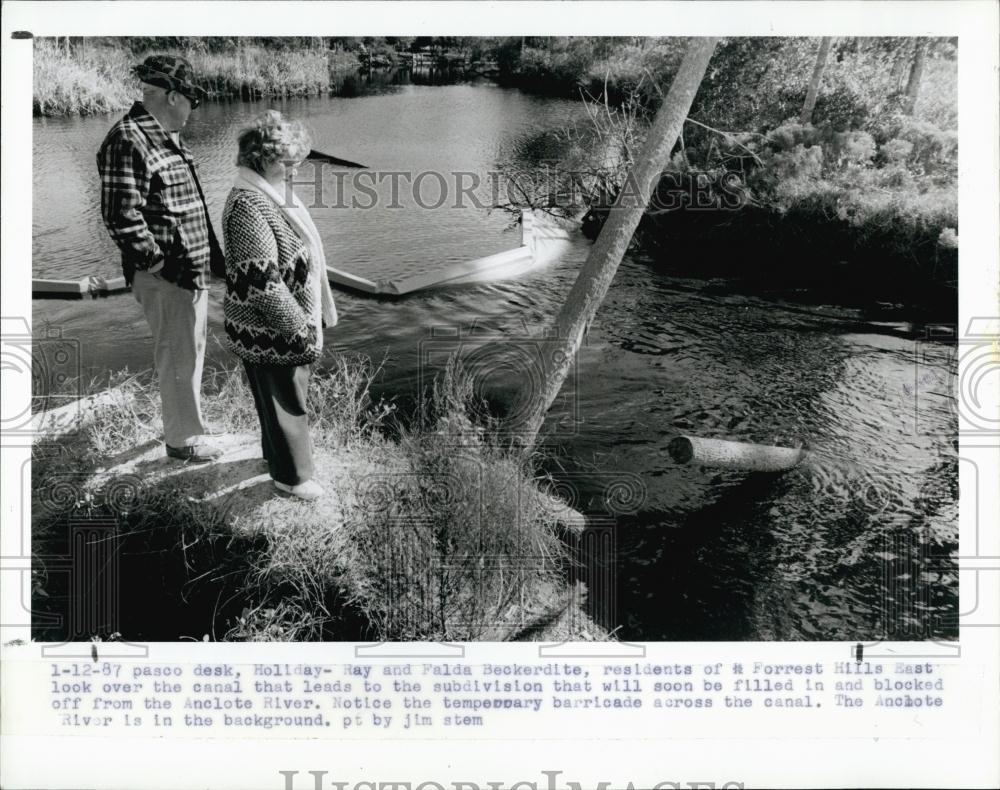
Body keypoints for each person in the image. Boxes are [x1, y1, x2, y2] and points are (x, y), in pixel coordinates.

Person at [97, 55, 226, 462]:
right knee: (177, 353)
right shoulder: (128, 138)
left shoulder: (164, 134)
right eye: (193, 100)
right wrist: (158, 264)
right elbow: (120, 215)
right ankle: (183, 442)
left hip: (188, 272)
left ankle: (187, 425)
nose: (194, 110)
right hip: (166, 275)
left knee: (190, 349)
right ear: (172, 96)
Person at [222, 111, 337, 501]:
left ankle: (276, 459)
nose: (295, 170)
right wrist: (299, 330)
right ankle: (292, 478)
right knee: (286, 403)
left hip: (274, 326)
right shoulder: (248, 207)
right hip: (271, 327)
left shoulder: (265, 194)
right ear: (262, 159)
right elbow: (263, 283)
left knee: (277, 401)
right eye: (288, 162)